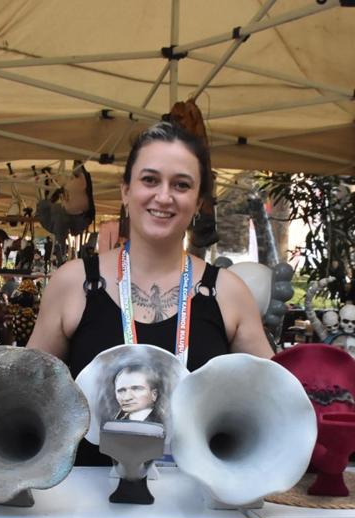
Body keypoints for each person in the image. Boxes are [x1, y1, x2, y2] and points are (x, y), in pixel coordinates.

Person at [27, 121, 270, 464]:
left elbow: (275, 404)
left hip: (199, 504)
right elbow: (26, 394)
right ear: (126, 190)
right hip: (87, 501)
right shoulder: (74, 283)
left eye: (181, 185)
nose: (164, 196)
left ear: (199, 201)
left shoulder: (228, 293)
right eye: (150, 180)